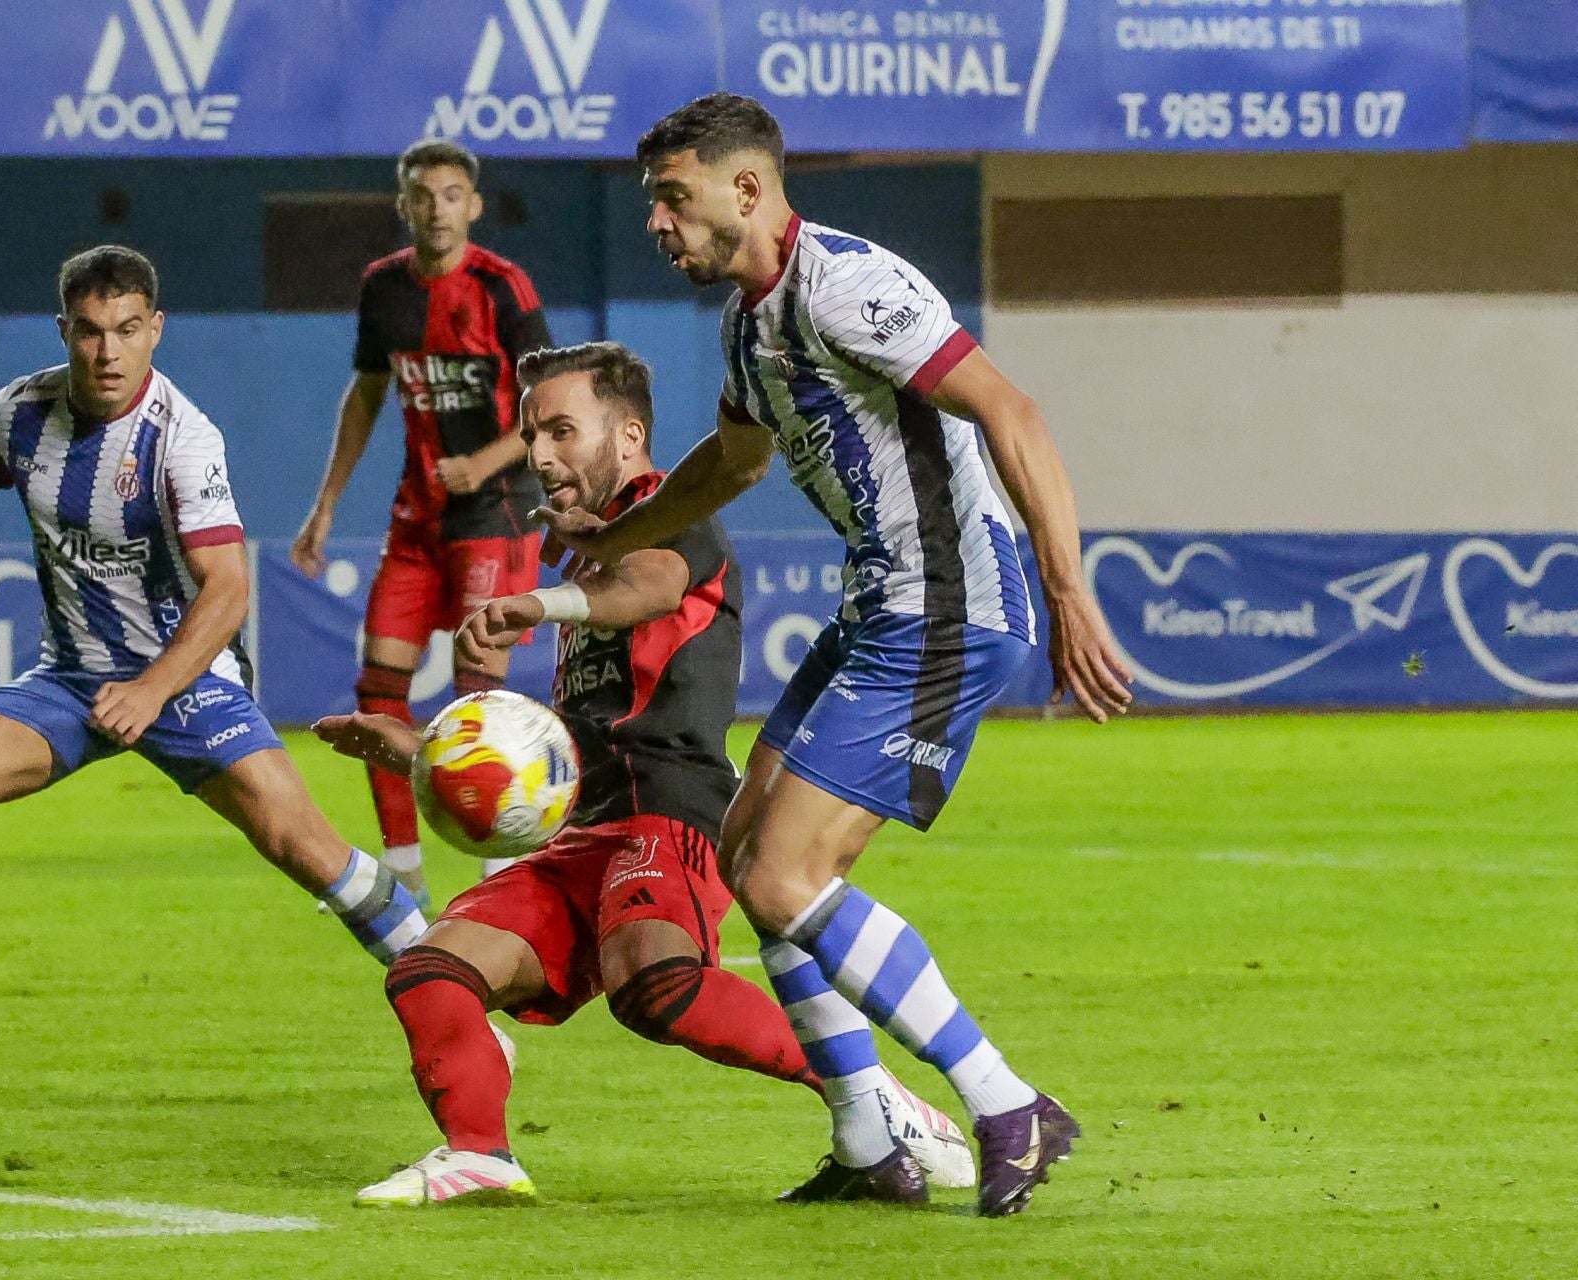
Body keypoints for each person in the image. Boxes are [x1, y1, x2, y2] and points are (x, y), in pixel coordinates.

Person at [532, 94, 1136, 1216]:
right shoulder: (748, 328)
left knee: (783, 875)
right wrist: (608, 542)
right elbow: (733, 464)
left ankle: (1006, 1103)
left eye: (674, 196)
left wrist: (1067, 587)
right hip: (881, 605)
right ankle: (871, 1138)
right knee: (748, 851)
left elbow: (1013, 410)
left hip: (949, 603)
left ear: (746, 189)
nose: (658, 224)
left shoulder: (850, 285)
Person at [315, 342, 975, 1207]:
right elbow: (555, 747)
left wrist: (534, 603)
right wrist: (419, 748)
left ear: (628, 438)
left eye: (559, 430)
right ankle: (479, 1152)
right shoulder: (582, 551)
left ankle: (872, 1095)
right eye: (529, 433)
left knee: (655, 986)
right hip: (582, 833)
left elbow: (656, 588)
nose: (539, 454)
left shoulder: (669, 512)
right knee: (431, 969)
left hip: (674, 815)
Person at [0, 245, 427, 1078]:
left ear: (155, 329)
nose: (108, 353)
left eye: (127, 330)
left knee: (309, 850)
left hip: (189, 681)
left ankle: (453, 985)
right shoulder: (20, 412)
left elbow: (229, 589)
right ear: (64, 330)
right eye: (90, 332)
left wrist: (153, 687)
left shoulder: (182, 440)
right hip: (71, 681)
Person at [292, 139, 551, 905]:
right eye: (421, 195)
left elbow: (549, 406)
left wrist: (487, 462)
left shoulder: (503, 288)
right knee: (377, 691)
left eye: (450, 194)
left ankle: (498, 873)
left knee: (480, 699)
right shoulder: (383, 288)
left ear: (472, 205)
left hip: (495, 512)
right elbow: (367, 392)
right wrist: (327, 502)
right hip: (416, 520)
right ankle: (400, 872)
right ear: (401, 206)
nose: (436, 208)